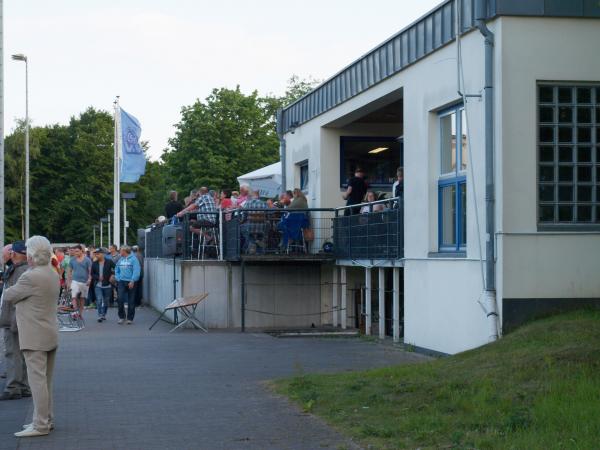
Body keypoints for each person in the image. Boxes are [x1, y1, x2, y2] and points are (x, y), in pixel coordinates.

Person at [4, 235, 60, 437]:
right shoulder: (52, 272)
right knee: (45, 382)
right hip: (49, 333)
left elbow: (9, 295)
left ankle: (41, 425)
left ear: (31, 253)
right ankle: (45, 419)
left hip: (34, 336)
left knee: (37, 383)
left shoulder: (31, 276)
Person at [0, 241, 31, 401]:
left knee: (12, 353)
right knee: (22, 354)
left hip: (14, 319)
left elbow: (13, 297)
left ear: (14, 254)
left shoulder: (18, 271)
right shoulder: (25, 270)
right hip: (19, 319)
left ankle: (13, 387)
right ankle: (24, 386)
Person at [115, 246, 141, 324]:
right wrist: (118, 278)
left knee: (131, 300)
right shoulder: (120, 259)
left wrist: (132, 280)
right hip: (121, 281)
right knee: (120, 299)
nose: (119, 252)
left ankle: (130, 318)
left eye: (121, 251)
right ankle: (122, 317)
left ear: (125, 251)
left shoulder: (134, 259)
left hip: (131, 282)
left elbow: (136, 270)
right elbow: (117, 269)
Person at [66, 245, 92, 320]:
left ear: (81, 251)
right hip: (75, 280)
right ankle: (75, 312)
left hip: (84, 281)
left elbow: (90, 271)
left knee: (82, 298)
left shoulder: (87, 260)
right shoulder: (72, 260)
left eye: (77, 251)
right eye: (74, 252)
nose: (76, 253)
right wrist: (68, 282)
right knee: (74, 296)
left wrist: (89, 279)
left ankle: (80, 313)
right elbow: (69, 271)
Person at [91, 248, 115, 323]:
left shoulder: (109, 262)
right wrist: (98, 277)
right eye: (95, 254)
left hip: (107, 285)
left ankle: (104, 314)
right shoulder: (94, 263)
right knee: (99, 299)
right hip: (98, 285)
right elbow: (92, 274)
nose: (96, 255)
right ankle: (100, 315)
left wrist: (112, 275)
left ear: (102, 254)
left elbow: (116, 268)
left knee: (106, 301)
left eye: (98, 254)